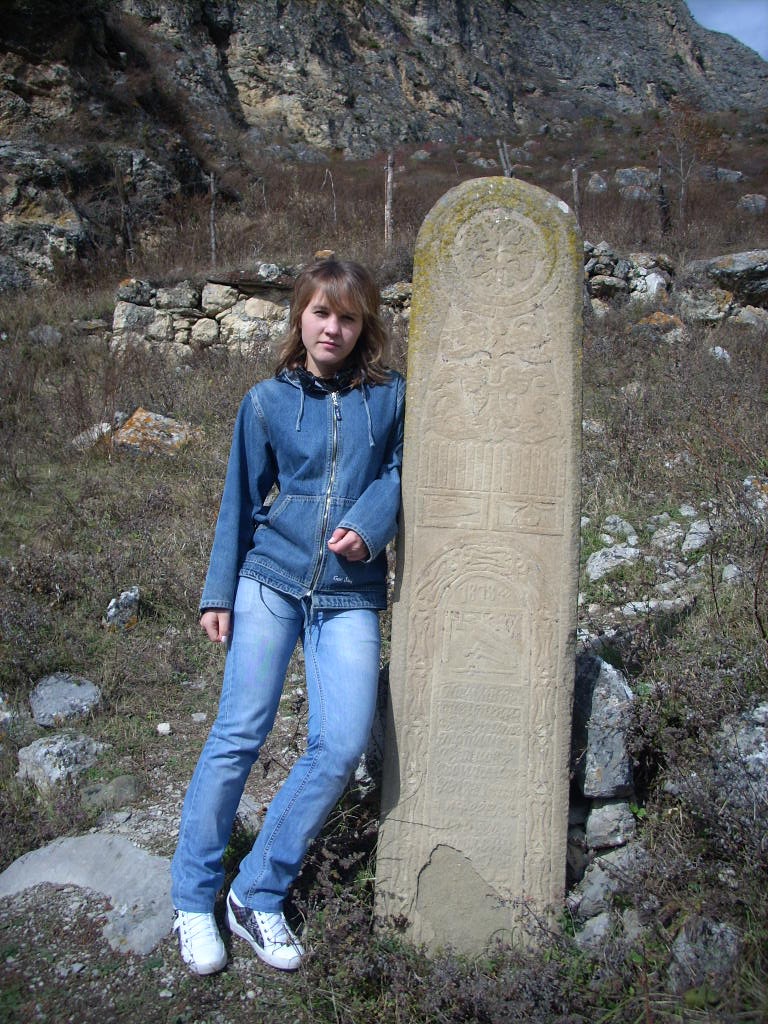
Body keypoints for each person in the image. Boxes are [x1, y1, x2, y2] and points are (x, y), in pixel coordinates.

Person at [170, 258, 405, 975]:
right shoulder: (265, 400)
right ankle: (192, 897)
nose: (333, 328)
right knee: (239, 734)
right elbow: (240, 499)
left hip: (349, 591)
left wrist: (371, 521)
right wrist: (218, 592)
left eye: (348, 317)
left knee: (340, 744)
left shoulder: (391, 396)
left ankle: (255, 893)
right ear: (299, 316)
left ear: (364, 326)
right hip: (270, 580)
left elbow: (402, 470)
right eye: (321, 313)